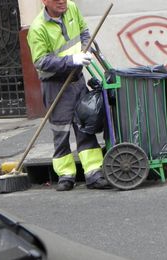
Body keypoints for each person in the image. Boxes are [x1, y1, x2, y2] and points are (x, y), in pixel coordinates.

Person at [27, 0, 110, 191]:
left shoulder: (71, 7)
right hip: (55, 85)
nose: (61, 1)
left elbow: (83, 31)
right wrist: (71, 60)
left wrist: (85, 48)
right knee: (61, 131)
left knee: (85, 127)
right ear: (44, 1)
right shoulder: (38, 28)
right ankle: (66, 175)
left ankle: (94, 173)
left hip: (77, 81)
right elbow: (41, 61)